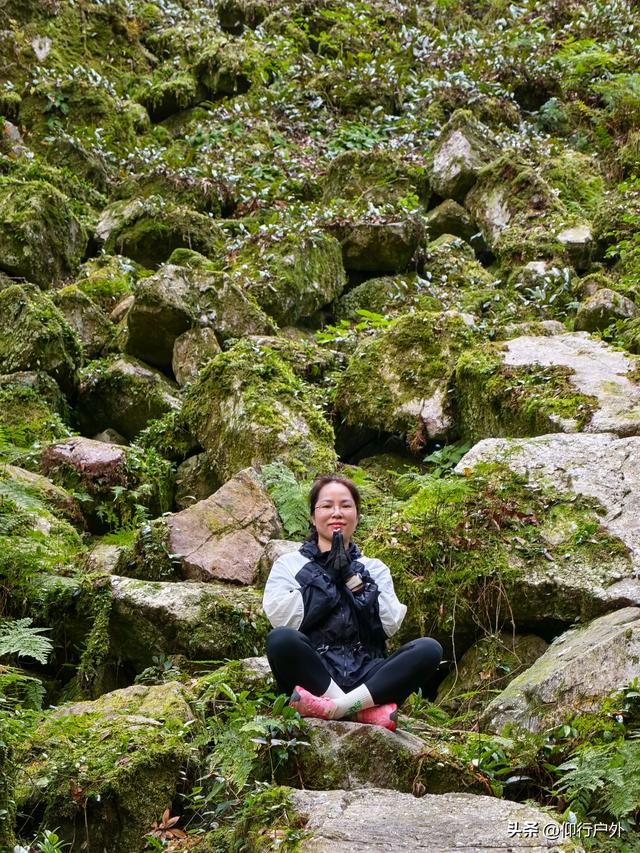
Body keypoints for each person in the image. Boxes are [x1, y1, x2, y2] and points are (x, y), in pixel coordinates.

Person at [262, 474, 443, 731]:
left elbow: (389, 624)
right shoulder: (290, 564)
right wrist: (327, 578)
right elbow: (282, 618)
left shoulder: (374, 568)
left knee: (429, 649)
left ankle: (336, 709)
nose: (337, 513)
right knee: (280, 640)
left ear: (357, 516)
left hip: (370, 677)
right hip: (316, 673)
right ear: (313, 517)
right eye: (327, 506)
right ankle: (358, 710)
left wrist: (352, 578)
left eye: (346, 506)